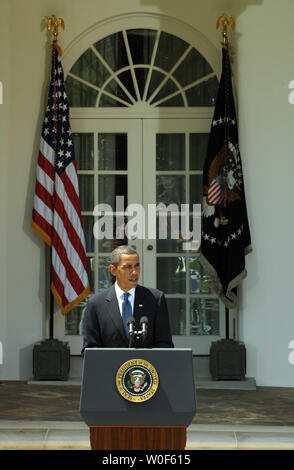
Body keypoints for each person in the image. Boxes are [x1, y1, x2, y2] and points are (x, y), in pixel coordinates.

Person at [81, 245, 174, 353]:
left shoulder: (155, 299)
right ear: (113, 270)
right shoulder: (96, 304)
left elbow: (165, 344)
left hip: (146, 368)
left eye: (137, 266)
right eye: (128, 267)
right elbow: (90, 350)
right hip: (111, 368)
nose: (134, 272)